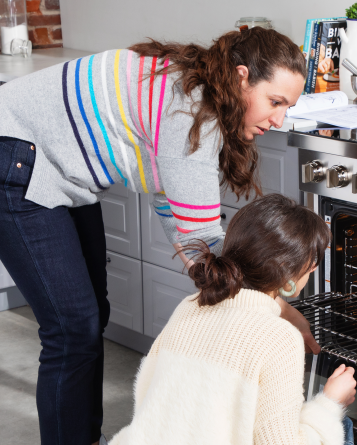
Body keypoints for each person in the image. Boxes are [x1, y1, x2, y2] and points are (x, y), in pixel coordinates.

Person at [0, 27, 320, 445]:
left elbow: (178, 213)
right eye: (275, 102)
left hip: (56, 169)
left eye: (287, 107)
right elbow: (203, 236)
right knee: (72, 328)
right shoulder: (191, 114)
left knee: (89, 314)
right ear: (242, 77)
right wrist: (278, 310)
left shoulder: (194, 88)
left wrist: (250, 298)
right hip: (18, 155)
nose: (278, 120)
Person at [109, 194, 356, 445]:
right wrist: (330, 402)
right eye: (312, 261)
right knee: (342, 425)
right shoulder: (280, 338)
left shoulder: (189, 306)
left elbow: (147, 401)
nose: (313, 268)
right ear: (287, 272)